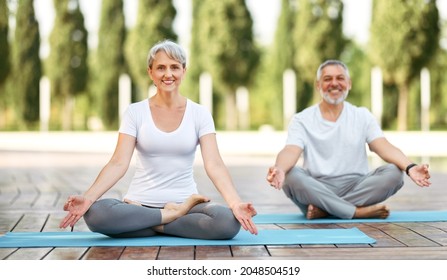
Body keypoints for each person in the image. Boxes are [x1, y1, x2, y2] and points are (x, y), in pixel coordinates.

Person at [60, 40, 258, 239]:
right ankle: (170, 217)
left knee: (227, 222)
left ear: (184, 71)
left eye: (174, 67)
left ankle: (152, 223)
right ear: (151, 73)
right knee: (96, 214)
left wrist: (235, 204)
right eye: (161, 68)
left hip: (186, 204)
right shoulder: (135, 112)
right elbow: (118, 163)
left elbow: (214, 164)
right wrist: (87, 198)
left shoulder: (200, 114)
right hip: (138, 205)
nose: (168, 74)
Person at [266, 59, 431, 220]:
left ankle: (327, 210)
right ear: (318, 86)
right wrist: (279, 169)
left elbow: (383, 146)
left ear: (349, 83)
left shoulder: (362, 115)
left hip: (356, 186)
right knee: (290, 175)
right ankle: (355, 212)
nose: (334, 83)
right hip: (316, 187)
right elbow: (291, 150)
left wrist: (410, 167)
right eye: (327, 79)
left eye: (340, 78)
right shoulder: (302, 119)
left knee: (395, 173)